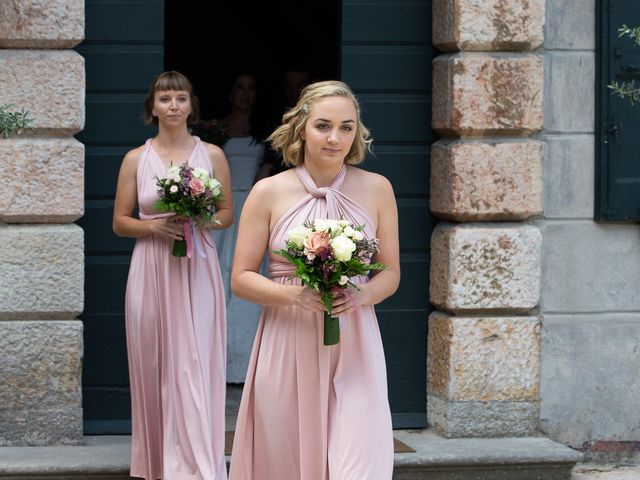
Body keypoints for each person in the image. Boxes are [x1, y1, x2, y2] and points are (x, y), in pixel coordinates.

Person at [229, 80, 400, 480]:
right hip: (287, 340)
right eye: (323, 125)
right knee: (288, 460)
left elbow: (390, 272)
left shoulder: (378, 189)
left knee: (358, 461)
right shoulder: (267, 192)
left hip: (355, 342)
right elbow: (240, 278)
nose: (335, 137)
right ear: (301, 127)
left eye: (346, 127)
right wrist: (296, 296)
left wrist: (362, 293)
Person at [112, 70, 232, 480]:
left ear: (191, 105)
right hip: (151, 267)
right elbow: (119, 222)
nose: (174, 106)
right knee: (154, 360)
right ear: (153, 108)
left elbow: (227, 214)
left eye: (181, 98)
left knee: (193, 361)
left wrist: (200, 221)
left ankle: (197, 465)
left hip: (196, 265)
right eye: (165, 99)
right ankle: (157, 465)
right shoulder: (135, 159)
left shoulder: (212, 155)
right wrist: (153, 227)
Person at [211, 71, 268, 383]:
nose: (245, 93)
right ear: (231, 93)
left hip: (253, 203)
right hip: (222, 205)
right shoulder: (215, 129)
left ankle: (246, 361)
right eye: (240, 87)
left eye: (251, 88)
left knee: (252, 271)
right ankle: (218, 357)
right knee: (219, 271)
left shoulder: (264, 130)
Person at [252, 66, 311, 182]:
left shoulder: (320, 116)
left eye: (300, 85)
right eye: (290, 86)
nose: (295, 92)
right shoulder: (271, 116)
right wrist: (268, 165)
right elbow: (270, 148)